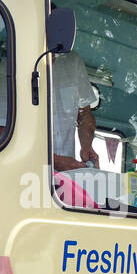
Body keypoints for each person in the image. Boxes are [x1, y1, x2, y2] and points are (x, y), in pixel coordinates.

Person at [49, 37, 98, 172]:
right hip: (25, 172)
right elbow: (3, 131)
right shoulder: (9, 67)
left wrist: (86, 145)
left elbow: (85, 113)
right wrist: (54, 161)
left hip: (66, 177)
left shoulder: (73, 60)